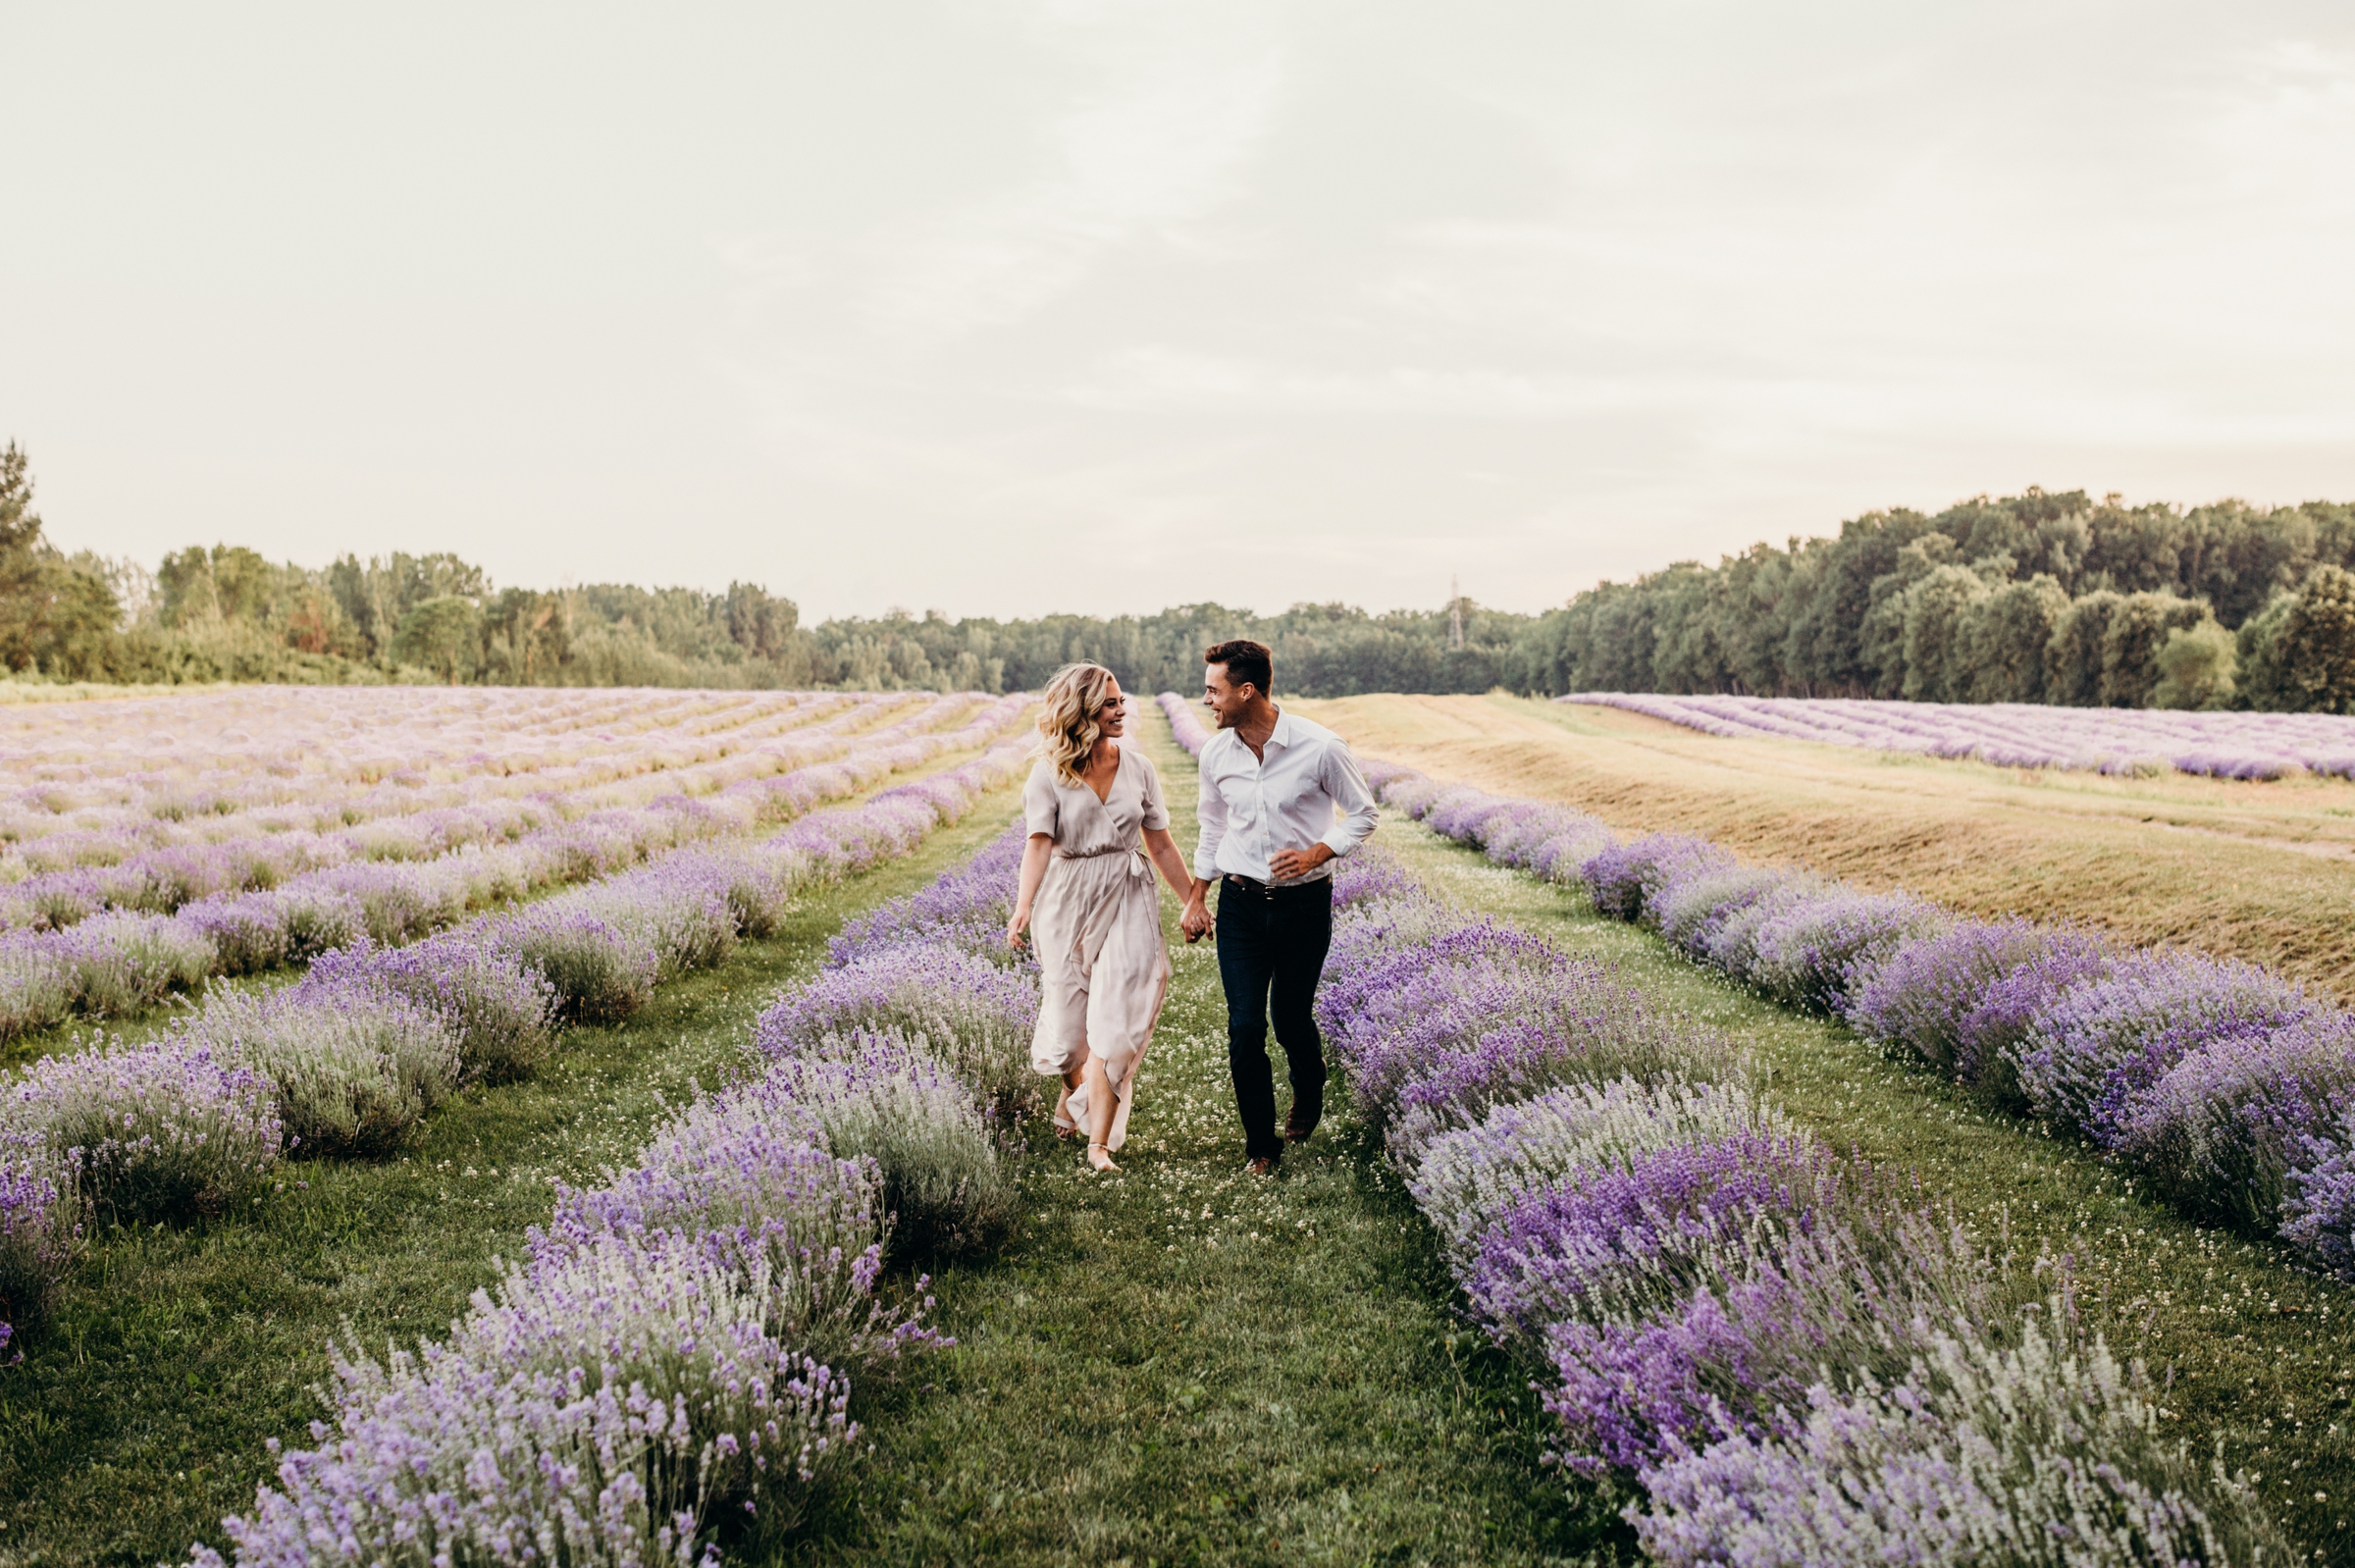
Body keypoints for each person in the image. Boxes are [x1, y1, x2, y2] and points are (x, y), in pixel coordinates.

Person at [1178, 639, 1377, 1176]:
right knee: (1244, 1027)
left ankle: (1309, 1088)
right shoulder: (1216, 754)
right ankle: (1262, 1146)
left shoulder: (1321, 747)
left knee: (1289, 1019)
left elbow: (1363, 815)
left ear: (1247, 691)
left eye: (1213, 692)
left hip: (1305, 906)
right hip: (1241, 903)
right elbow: (1213, 827)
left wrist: (1318, 851)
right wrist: (1197, 897)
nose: (1207, 702)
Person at [1007, 662, 1198, 1174]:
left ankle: (1099, 1144)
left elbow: (1159, 842)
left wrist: (1191, 900)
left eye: (1121, 701)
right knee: (1070, 1041)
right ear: (1083, 712)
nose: (1122, 710)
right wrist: (1023, 904)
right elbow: (1038, 843)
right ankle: (1076, 1098)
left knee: (1115, 1023)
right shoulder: (1048, 772)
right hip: (1068, 900)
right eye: (1110, 703)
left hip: (1128, 893)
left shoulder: (1139, 768)